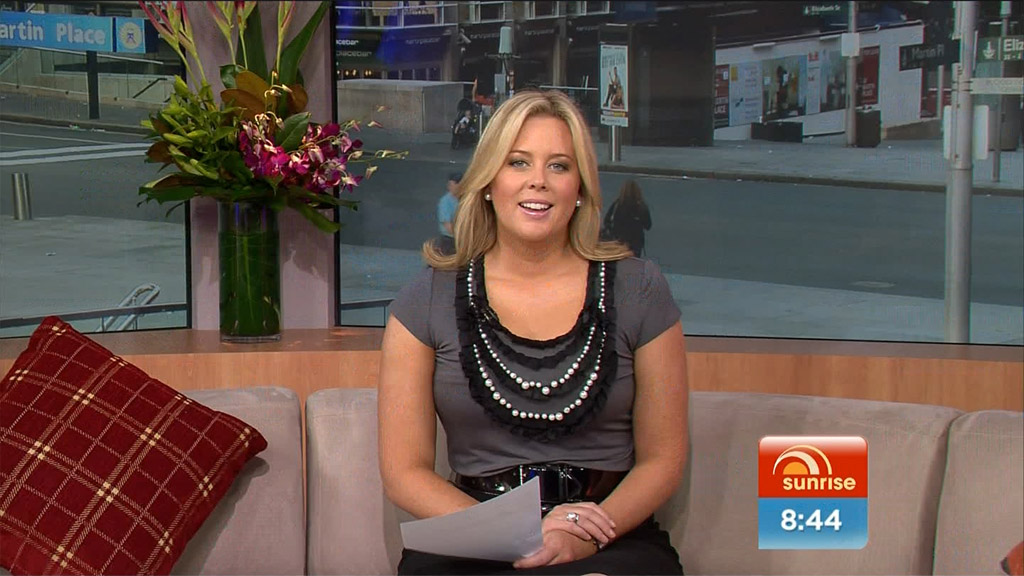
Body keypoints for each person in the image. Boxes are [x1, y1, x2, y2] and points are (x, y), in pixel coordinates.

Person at [379, 89, 689, 575]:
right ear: (488, 181)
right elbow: (404, 472)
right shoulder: (427, 298)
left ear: (580, 187)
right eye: (518, 162)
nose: (538, 181)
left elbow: (663, 459)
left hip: (607, 532)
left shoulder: (640, 289)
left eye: (559, 166)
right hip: (476, 530)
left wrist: (580, 534)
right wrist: (515, 534)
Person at [602, 179, 652, 257]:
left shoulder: (617, 205)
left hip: (618, 241)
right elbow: (648, 225)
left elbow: (607, 221)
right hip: (636, 242)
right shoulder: (641, 207)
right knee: (633, 262)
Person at [435, 172, 461, 256]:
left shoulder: (465, 200)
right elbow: (448, 226)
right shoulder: (445, 201)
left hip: (464, 241)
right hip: (449, 241)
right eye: (450, 184)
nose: (451, 187)